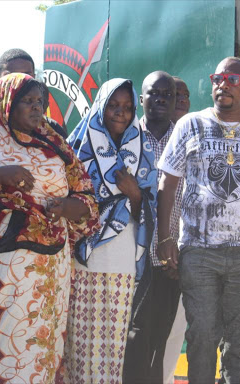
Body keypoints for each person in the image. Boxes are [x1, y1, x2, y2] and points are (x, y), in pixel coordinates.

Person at [0, 73, 99, 384]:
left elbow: (87, 197)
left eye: (41, 102)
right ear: (7, 103)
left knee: (42, 349)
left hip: (50, 271)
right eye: (28, 101)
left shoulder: (56, 145)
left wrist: (68, 207)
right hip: (0, 273)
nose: (37, 108)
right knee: (2, 351)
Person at [157, 57, 240, 383]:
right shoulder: (190, 125)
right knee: (202, 335)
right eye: (218, 78)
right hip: (198, 250)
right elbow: (168, 183)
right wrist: (165, 238)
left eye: (232, 79)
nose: (223, 84)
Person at [60, 78, 157, 383]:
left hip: (122, 260)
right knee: (80, 343)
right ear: (101, 106)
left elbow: (151, 205)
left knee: (112, 346)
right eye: (114, 105)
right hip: (83, 258)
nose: (121, 113)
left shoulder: (142, 149)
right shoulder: (76, 147)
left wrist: (135, 194)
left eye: (128, 107)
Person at [121, 71, 181, 384]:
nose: (160, 100)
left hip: (170, 261)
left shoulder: (185, 139)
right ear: (141, 99)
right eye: (153, 94)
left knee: (160, 337)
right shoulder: (127, 137)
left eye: (167, 95)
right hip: (132, 257)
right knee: (133, 336)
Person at [162, 76, 191, 384]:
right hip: (149, 255)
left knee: (176, 330)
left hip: (187, 254)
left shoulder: (197, 140)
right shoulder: (144, 138)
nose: (181, 99)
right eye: (174, 94)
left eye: (185, 95)